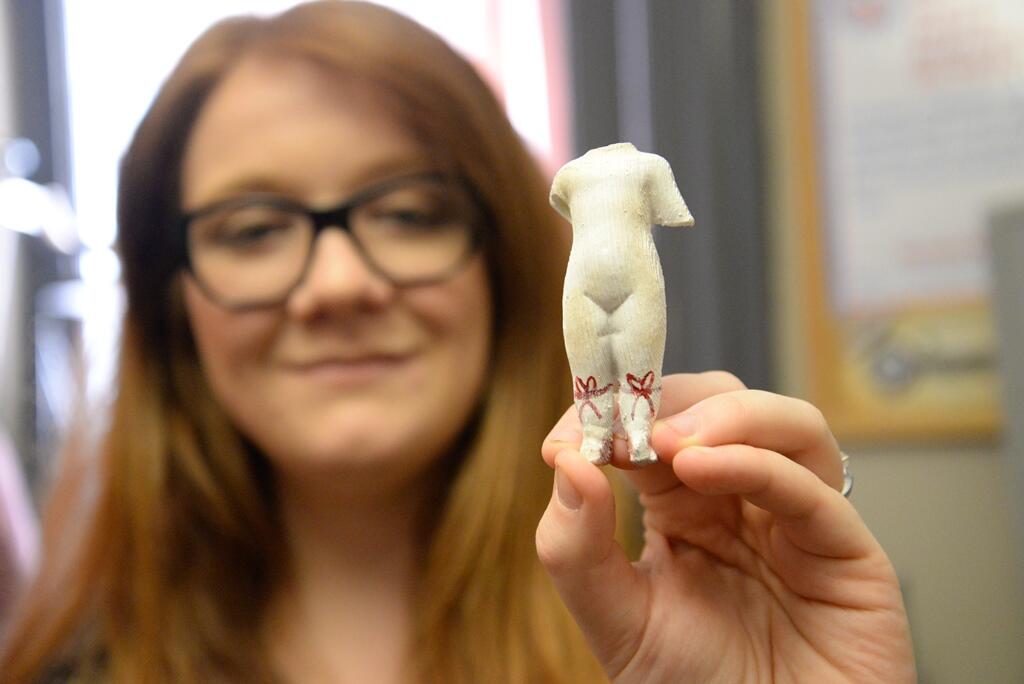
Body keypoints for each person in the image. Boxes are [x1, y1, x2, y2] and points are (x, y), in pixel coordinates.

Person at [0, 2, 916, 682]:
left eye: (407, 212)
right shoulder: (63, 667)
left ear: (507, 263)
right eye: (252, 229)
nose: (338, 286)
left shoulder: (721, 606)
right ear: (172, 304)